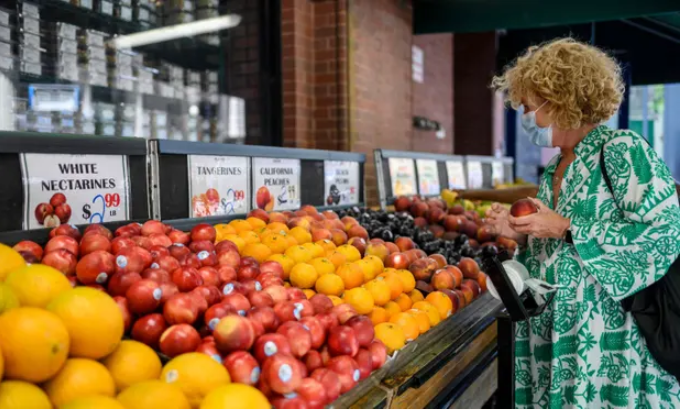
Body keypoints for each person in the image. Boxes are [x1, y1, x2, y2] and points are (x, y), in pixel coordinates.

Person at [487, 38, 680, 409]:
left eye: (529, 107)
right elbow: (553, 256)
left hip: (608, 347)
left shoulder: (622, 149)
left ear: (559, 101)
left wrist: (566, 228)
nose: (525, 117)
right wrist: (522, 237)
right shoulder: (555, 169)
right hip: (554, 342)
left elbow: (663, 236)